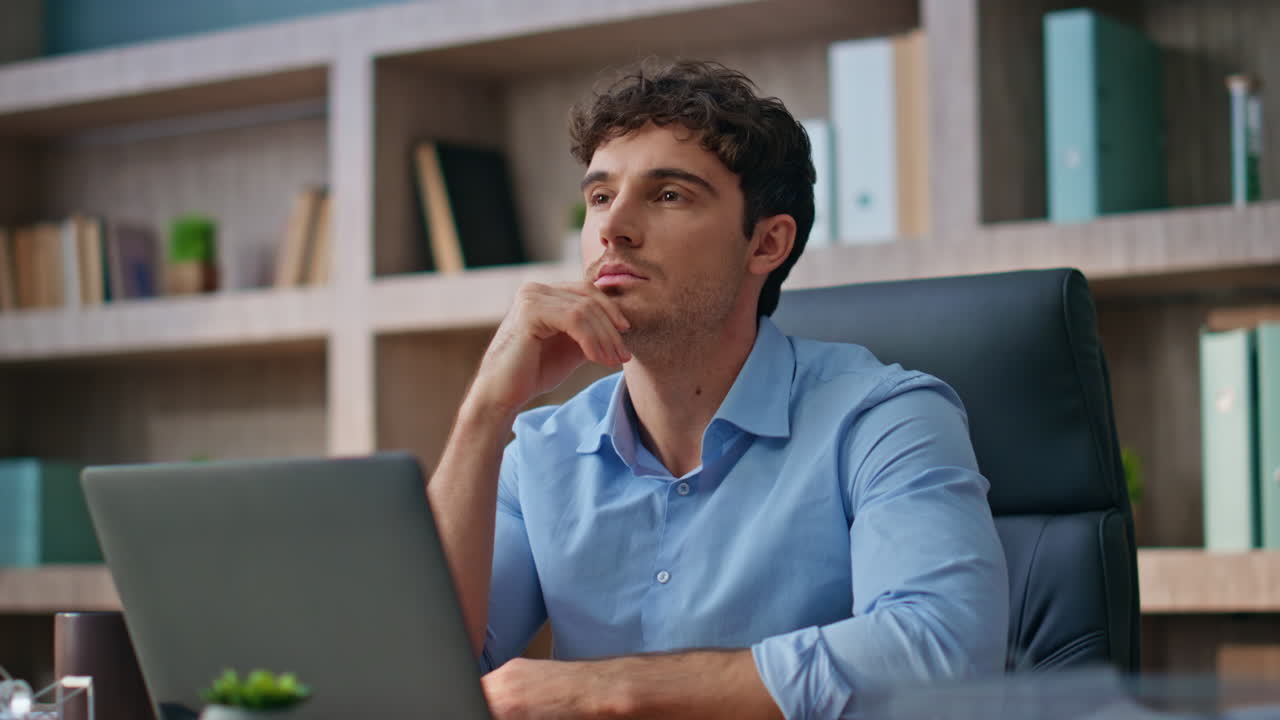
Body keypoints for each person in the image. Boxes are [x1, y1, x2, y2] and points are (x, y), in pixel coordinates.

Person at [426, 59, 1009, 720]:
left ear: (766, 243)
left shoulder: (885, 418)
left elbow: (943, 649)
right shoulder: (541, 452)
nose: (613, 227)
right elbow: (418, 670)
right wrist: (486, 410)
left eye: (668, 195)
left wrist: (608, 691)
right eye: (600, 197)